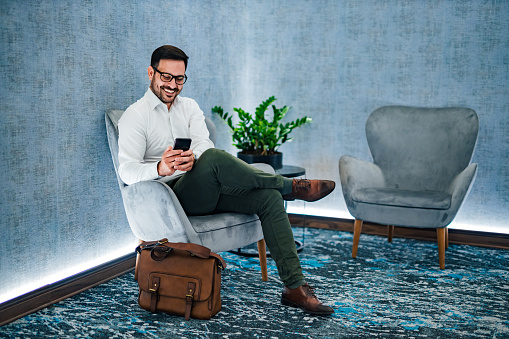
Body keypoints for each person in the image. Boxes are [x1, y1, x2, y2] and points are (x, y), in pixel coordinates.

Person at [118, 45, 336, 315]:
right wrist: (160, 168)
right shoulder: (135, 116)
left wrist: (192, 159)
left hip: (204, 187)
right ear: (151, 73)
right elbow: (126, 171)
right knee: (215, 158)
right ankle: (291, 187)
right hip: (170, 200)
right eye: (166, 77)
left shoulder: (189, 107)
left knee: (267, 198)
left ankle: (295, 288)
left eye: (180, 78)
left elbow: (202, 144)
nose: (173, 85)